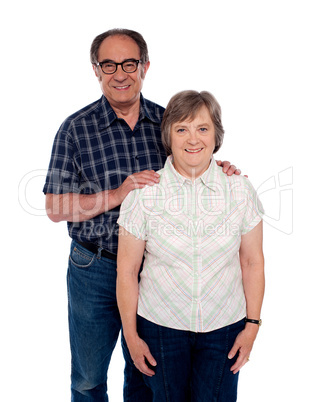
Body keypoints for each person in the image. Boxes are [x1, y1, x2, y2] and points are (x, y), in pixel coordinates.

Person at [43, 29, 241, 401]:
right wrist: (119, 193)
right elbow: (55, 207)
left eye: (129, 63)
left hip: (155, 271)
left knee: (145, 373)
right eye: (109, 64)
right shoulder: (75, 129)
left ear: (145, 67)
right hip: (96, 269)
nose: (120, 73)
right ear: (96, 70)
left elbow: (196, 155)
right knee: (88, 378)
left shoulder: (167, 121)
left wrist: (223, 168)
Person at [117, 90, 265, 401]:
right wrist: (131, 337)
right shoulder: (144, 194)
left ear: (216, 135)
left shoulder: (239, 190)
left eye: (202, 128)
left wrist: (252, 326)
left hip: (224, 326)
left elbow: (252, 262)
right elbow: (128, 271)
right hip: (160, 326)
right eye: (182, 129)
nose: (193, 139)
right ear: (168, 135)